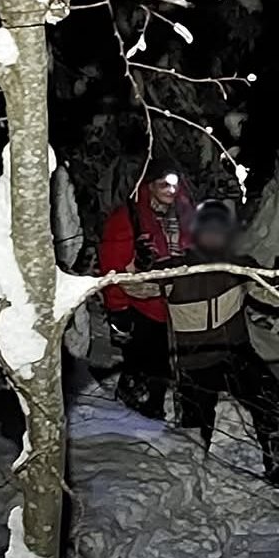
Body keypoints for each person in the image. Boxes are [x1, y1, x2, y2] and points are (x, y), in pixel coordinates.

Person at [162, 201, 279, 488]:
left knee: (268, 395)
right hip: (193, 358)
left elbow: (273, 298)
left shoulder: (240, 266)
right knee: (195, 424)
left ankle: (278, 462)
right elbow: (136, 285)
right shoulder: (176, 270)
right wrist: (141, 265)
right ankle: (189, 478)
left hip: (235, 353)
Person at [98, 166, 194, 419]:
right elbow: (112, 267)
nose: (171, 191)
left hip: (175, 302)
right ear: (149, 185)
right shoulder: (128, 218)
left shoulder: (183, 216)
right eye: (164, 184)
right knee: (146, 357)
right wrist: (117, 309)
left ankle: (158, 399)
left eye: (174, 185)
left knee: (168, 357)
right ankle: (143, 401)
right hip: (140, 302)